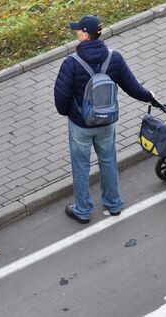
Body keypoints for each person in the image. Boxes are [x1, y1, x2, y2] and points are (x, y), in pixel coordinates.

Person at [54, 15, 153, 224]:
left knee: (81, 166)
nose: (76, 32)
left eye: (78, 30)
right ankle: (113, 203)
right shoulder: (114, 58)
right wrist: (149, 96)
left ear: (85, 34)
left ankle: (82, 210)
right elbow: (132, 87)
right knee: (108, 160)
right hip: (107, 122)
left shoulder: (71, 63)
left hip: (81, 124)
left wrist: (69, 113)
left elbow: (61, 97)